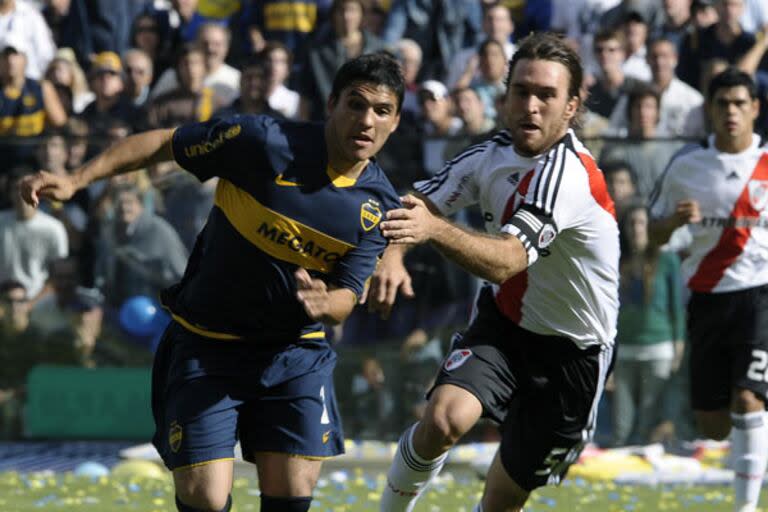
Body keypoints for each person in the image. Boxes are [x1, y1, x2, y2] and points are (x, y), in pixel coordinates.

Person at [19, 52, 404, 512]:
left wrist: (327, 304)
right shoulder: (261, 141)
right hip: (208, 345)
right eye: (355, 105)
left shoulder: (378, 208)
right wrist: (77, 178)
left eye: (382, 110)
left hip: (295, 354)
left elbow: (347, 298)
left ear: (396, 121)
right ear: (331, 104)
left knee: (293, 494)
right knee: (204, 497)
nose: (366, 120)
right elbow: (167, 142)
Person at [372, 32, 619, 512]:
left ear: (571, 107)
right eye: (521, 91)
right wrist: (393, 256)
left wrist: (432, 231)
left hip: (573, 354)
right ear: (504, 97)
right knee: (441, 421)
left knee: (503, 497)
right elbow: (418, 202)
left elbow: (507, 259)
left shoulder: (569, 174)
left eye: (546, 95)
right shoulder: (490, 154)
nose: (531, 105)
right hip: (504, 324)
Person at [649, 67, 768, 512]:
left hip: (760, 294)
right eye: (723, 104)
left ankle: (745, 508)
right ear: (710, 111)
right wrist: (674, 221)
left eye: (740, 103)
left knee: (747, 397)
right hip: (706, 299)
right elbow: (655, 235)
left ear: (755, 108)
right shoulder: (686, 166)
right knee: (715, 424)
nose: (732, 112)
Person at [611, 202, 685, 447]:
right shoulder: (615, 259)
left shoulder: (668, 260)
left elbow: (677, 306)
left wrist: (679, 345)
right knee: (621, 423)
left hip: (659, 346)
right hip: (624, 348)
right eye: (631, 223)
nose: (637, 229)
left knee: (648, 419)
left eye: (641, 223)